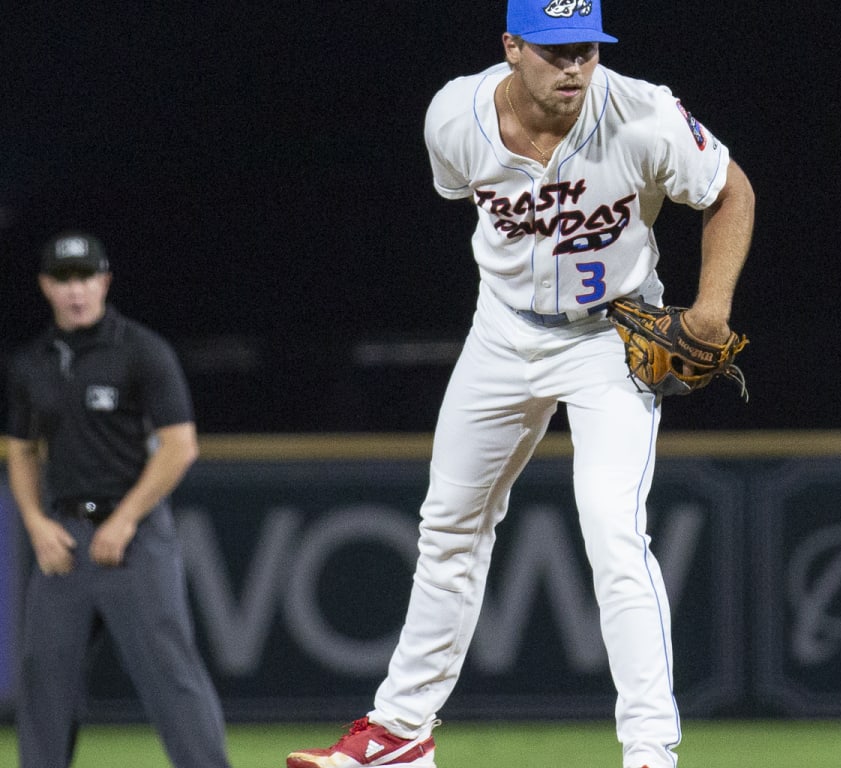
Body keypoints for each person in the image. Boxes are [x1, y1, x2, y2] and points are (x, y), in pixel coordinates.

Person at [286, 2, 755, 768]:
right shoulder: (455, 118)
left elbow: (731, 188)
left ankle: (649, 754)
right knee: (450, 526)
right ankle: (402, 734)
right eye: (555, 50)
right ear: (511, 47)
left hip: (612, 338)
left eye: (587, 50)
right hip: (502, 331)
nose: (574, 66)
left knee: (612, 530)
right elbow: (463, 201)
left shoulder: (643, 115)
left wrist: (711, 308)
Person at [4, 232, 232, 768]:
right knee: (42, 681)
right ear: (45, 286)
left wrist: (126, 519)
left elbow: (180, 446)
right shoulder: (31, 362)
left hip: (135, 537)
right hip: (64, 538)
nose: (75, 290)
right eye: (63, 279)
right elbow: (20, 451)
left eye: (85, 277)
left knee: (171, 678)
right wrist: (35, 524)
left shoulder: (141, 351)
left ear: (104, 281)